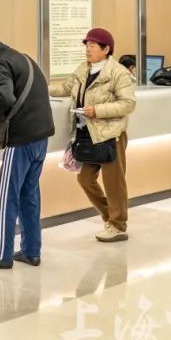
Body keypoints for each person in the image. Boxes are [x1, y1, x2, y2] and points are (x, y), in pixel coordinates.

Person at [0, 30, 54, 269]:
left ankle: (1, 255)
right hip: (41, 137)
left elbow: (4, 96)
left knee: (3, 197)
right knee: (28, 194)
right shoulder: (22, 58)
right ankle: (31, 251)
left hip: (21, 140)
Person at [50, 29, 137, 242]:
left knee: (114, 183)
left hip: (111, 135)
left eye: (93, 46)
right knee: (85, 179)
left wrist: (97, 110)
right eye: (86, 45)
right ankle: (111, 217)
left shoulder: (118, 73)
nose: (88, 49)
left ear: (106, 49)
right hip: (88, 134)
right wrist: (40, 89)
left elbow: (128, 104)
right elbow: (65, 88)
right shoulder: (83, 69)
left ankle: (118, 226)